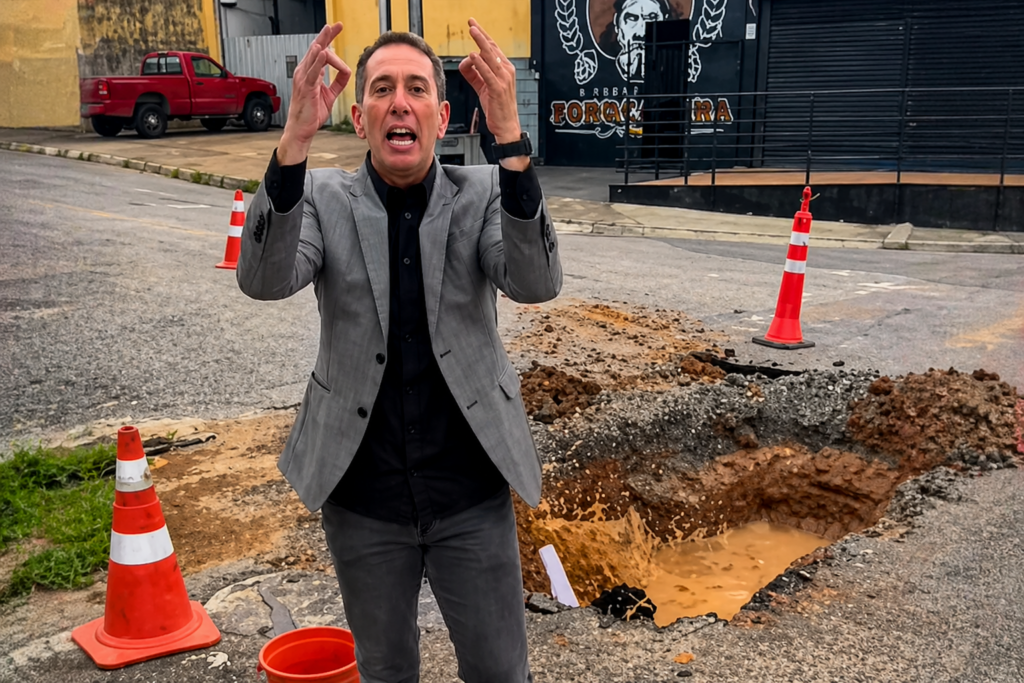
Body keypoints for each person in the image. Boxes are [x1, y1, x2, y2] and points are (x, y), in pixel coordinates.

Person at [235, 19, 561, 683]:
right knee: (385, 670)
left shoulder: (482, 193)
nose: (400, 103)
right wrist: (294, 138)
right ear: (360, 118)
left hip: (469, 492)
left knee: (500, 672)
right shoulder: (321, 198)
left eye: (416, 88)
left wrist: (512, 142)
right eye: (382, 89)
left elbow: (535, 282)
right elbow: (264, 280)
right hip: (364, 497)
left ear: (442, 116)